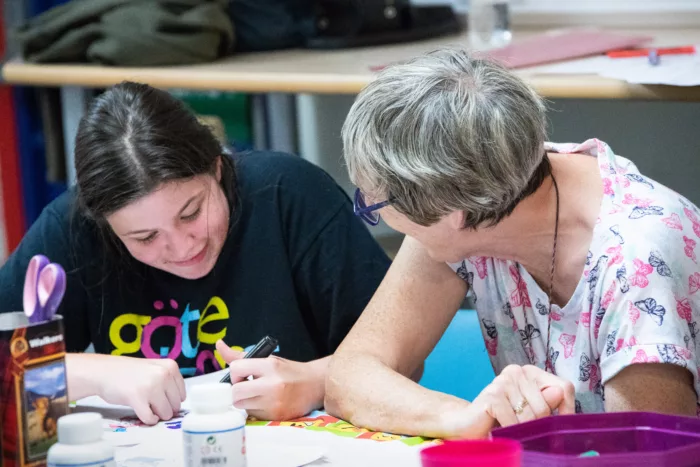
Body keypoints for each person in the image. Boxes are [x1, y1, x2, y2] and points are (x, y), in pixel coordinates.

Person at [326, 49, 700, 440]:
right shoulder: (482, 199)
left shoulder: (637, 262)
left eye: (373, 201)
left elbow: (648, 451)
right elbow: (350, 376)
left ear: (449, 212)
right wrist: (464, 416)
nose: (368, 206)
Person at [0, 81, 391, 425]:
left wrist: (313, 382)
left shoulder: (288, 196)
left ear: (217, 167)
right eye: (145, 237)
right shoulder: (73, 229)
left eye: (191, 213)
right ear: (105, 225)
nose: (182, 246)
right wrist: (88, 372)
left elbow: (401, 355)